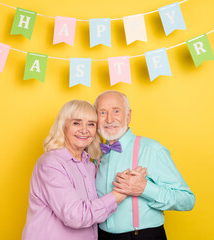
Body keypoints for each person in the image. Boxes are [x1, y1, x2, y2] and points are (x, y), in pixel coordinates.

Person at [22, 100, 144, 240]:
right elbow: (75, 216)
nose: (84, 130)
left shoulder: (90, 165)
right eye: (76, 123)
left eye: (91, 124)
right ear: (63, 126)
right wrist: (119, 194)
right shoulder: (51, 163)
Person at [94, 91, 196, 240]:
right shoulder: (96, 155)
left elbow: (187, 200)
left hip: (142, 236)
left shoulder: (152, 149)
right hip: (102, 236)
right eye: (103, 112)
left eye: (116, 111)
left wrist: (145, 189)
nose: (109, 119)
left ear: (128, 116)